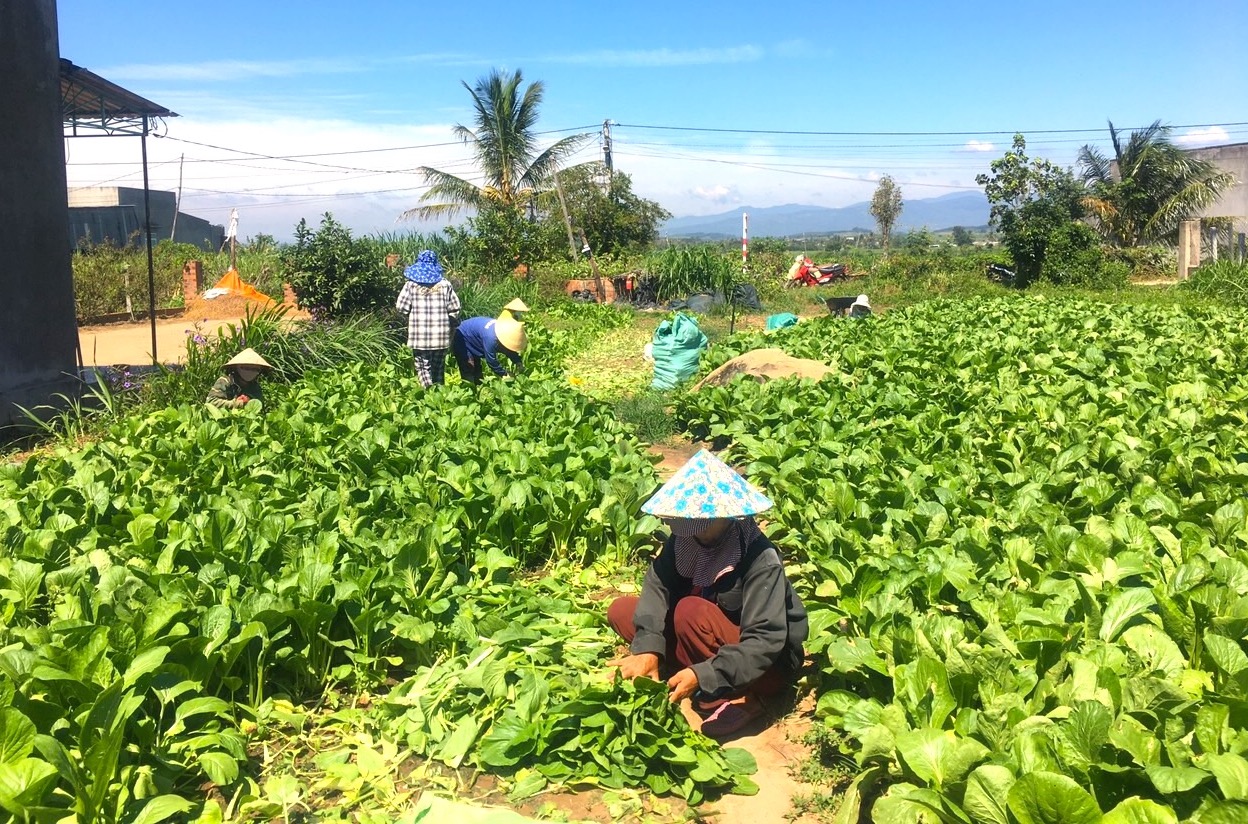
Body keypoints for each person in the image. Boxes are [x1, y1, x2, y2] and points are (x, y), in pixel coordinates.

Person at [606, 450, 808, 740]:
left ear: (723, 517)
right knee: (622, 610)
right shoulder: (688, 539)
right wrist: (647, 649)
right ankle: (677, 664)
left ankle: (742, 696)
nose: (687, 529)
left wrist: (704, 675)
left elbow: (765, 640)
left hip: (764, 662)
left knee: (689, 612)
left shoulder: (760, 558)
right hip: (707, 635)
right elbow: (658, 585)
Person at [395, 250, 462, 387]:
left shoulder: (411, 285)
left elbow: (401, 307)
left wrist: (414, 314)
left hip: (419, 336)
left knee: (423, 367)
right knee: (438, 367)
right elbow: (455, 308)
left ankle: (428, 394)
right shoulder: (445, 284)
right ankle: (440, 396)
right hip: (441, 336)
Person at [451, 315, 527, 384]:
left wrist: (517, 361)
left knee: (477, 371)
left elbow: (507, 348)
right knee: (469, 367)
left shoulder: (503, 330)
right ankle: (468, 392)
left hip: (473, 336)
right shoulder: (491, 338)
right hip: (461, 337)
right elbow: (491, 361)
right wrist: (504, 374)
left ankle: (478, 388)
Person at [206, 348, 272, 408]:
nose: (250, 372)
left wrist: (248, 401)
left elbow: (258, 404)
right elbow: (210, 402)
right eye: (246, 368)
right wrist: (236, 403)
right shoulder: (225, 381)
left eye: (255, 369)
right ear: (236, 367)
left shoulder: (255, 386)